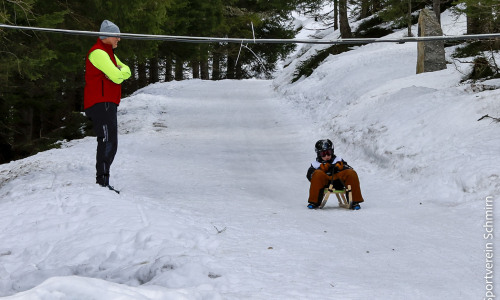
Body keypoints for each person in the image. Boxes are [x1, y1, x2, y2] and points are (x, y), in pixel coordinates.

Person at [84, 20, 131, 191]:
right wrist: (118, 73)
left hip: (108, 102)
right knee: (107, 140)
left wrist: (120, 72)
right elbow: (118, 76)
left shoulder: (109, 53)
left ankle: (103, 181)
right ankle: (102, 182)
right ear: (108, 35)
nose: (119, 39)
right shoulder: (98, 53)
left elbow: (127, 70)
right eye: (117, 36)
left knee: (112, 141)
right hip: (100, 102)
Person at [306, 139, 364, 210]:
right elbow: (310, 176)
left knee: (351, 173)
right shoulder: (315, 164)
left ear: (332, 152)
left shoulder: (338, 160)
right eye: (323, 154)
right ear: (318, 154)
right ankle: (313, 202)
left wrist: (342, 167)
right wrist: (320, 169)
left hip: (338, 182)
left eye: (328, 152)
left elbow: (349, 168)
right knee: (317, 173)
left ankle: (355, 201)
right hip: (325, 183)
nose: (326, 156)